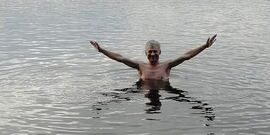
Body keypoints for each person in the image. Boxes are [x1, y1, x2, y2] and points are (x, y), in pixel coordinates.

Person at [89, 36, 217, 86]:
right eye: (150, 51)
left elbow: (186, 56)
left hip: (165, 91)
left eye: (155, 51)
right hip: (143, 90)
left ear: (160, 52)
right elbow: (120, 58)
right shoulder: (140, 66)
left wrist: (204, 46)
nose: (152, 53)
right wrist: (101, 50)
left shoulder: (167, 65)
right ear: (146, 53)